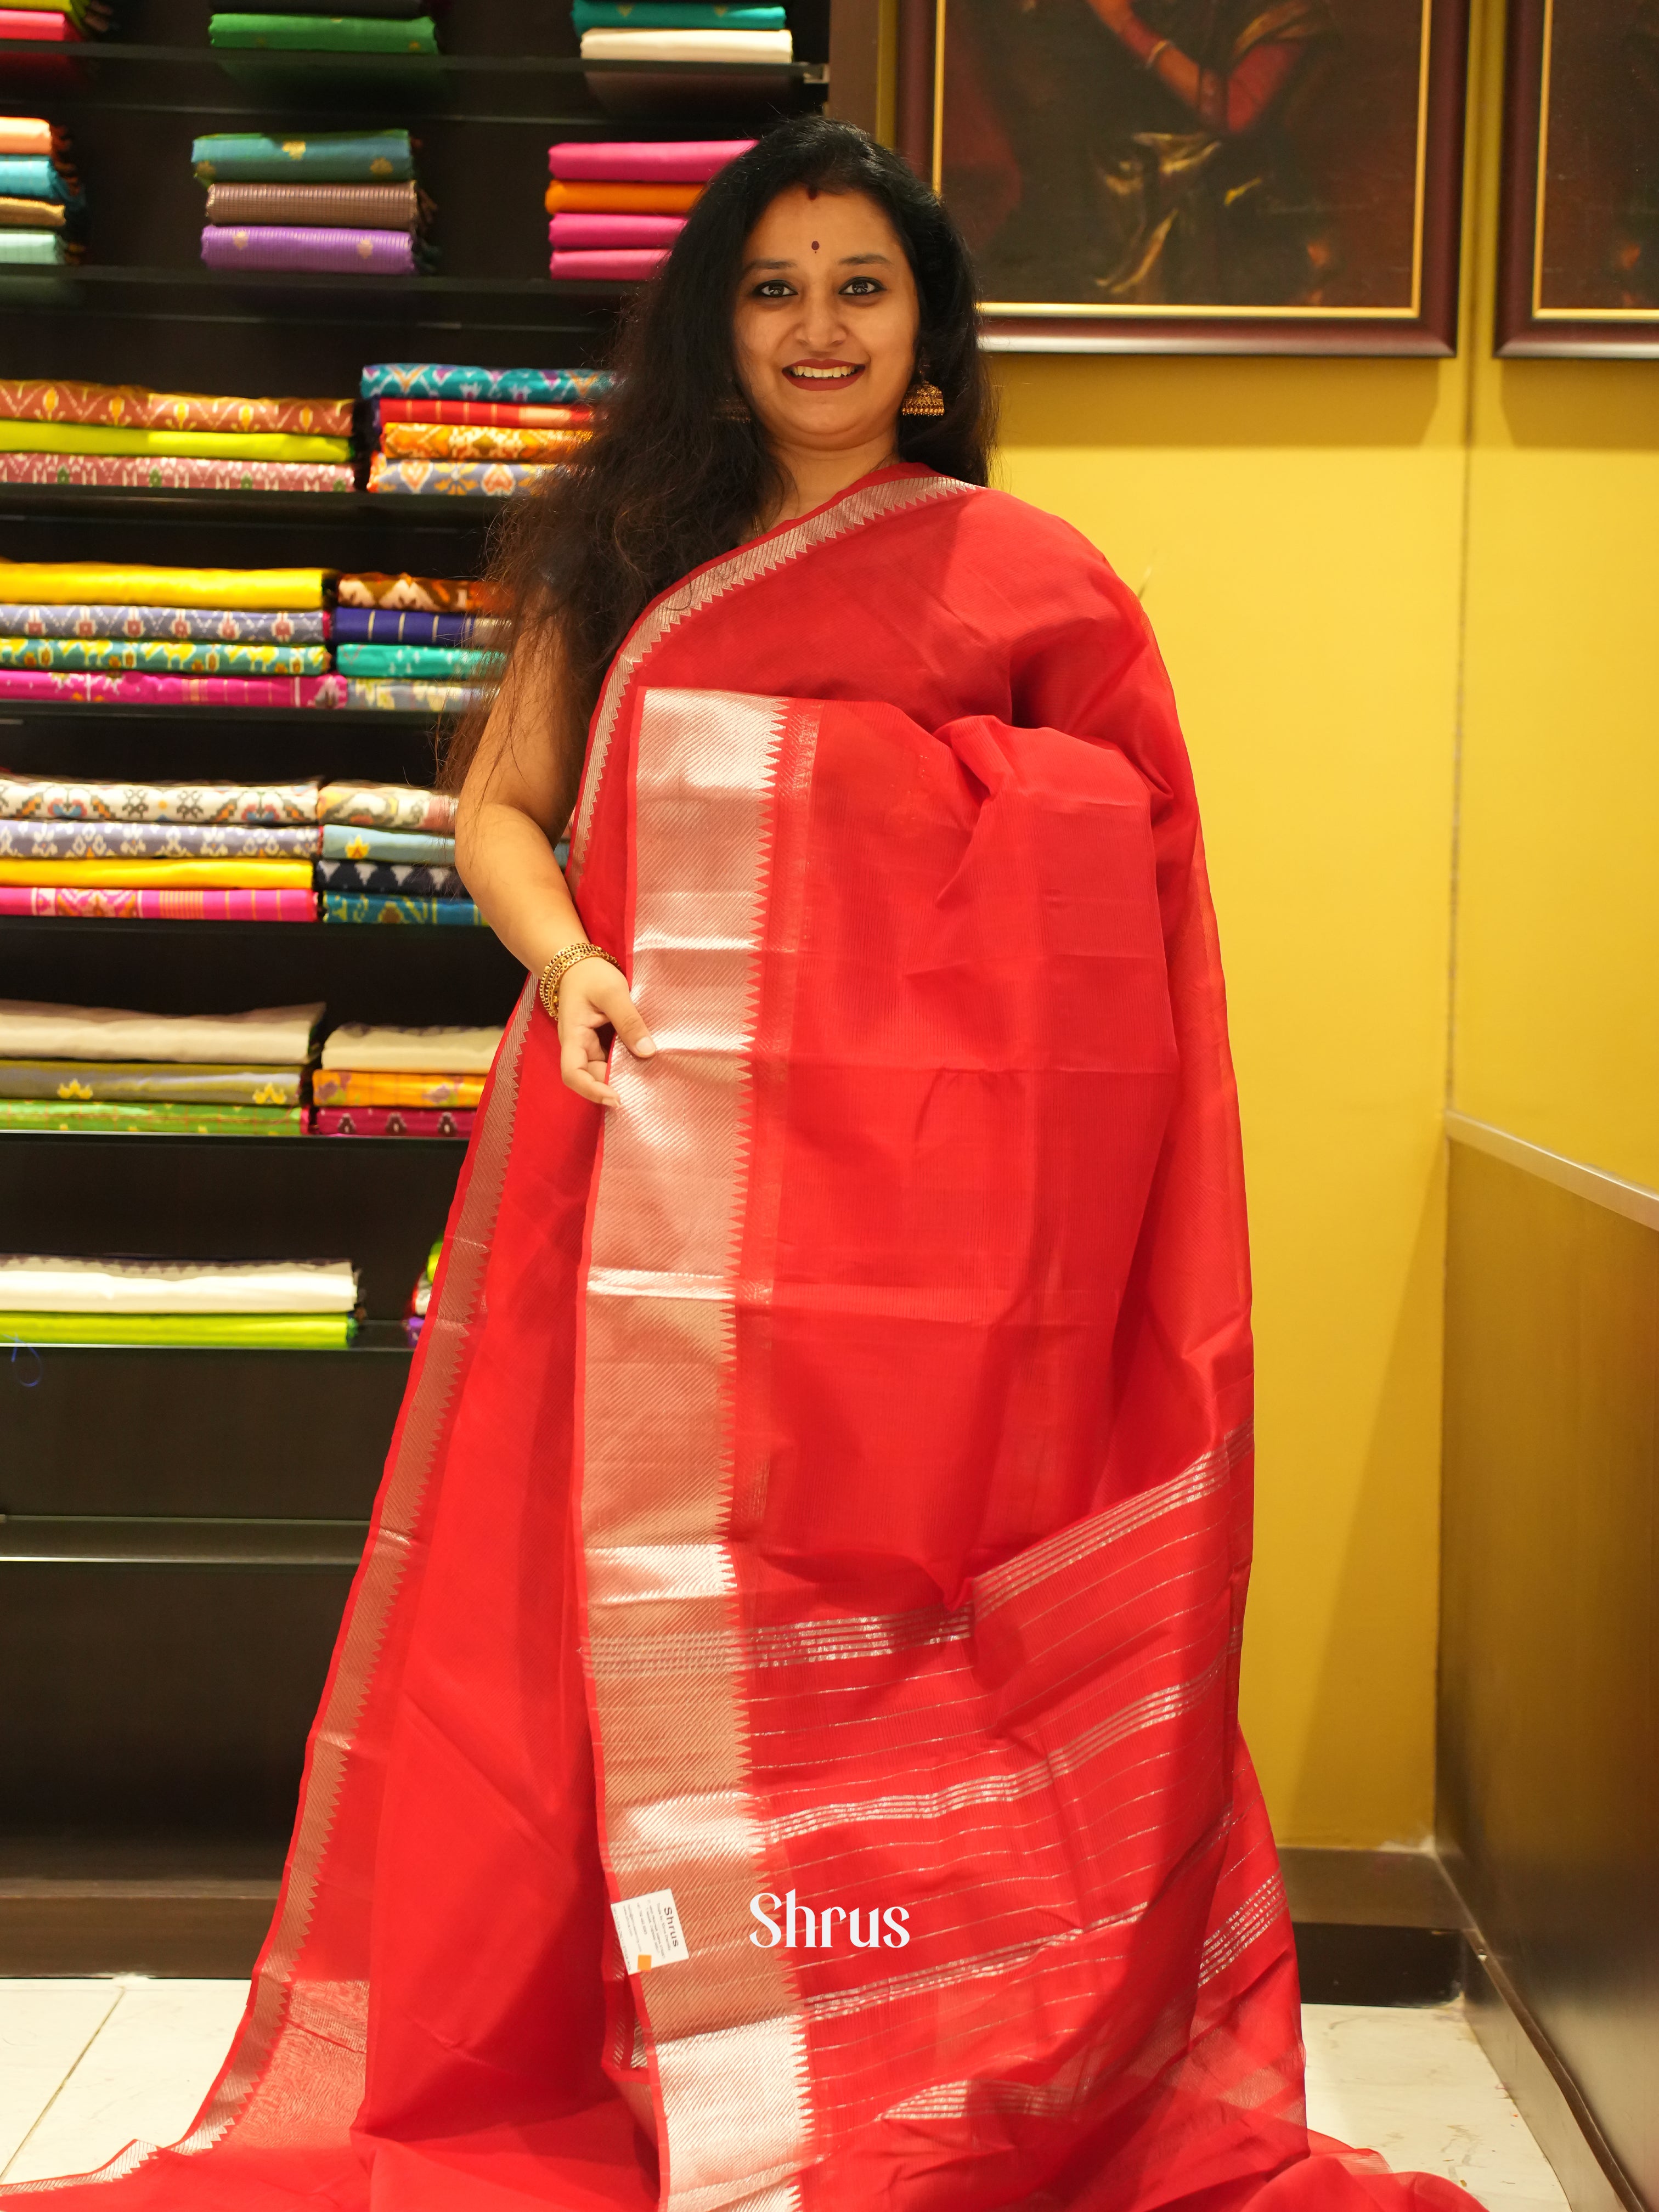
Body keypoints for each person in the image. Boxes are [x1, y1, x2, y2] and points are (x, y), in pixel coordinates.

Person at [7, 116, 1481, 2212]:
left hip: (935, 1250)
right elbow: (498, 814)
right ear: (715, 322)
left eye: (857, 287)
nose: (814, 327)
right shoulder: (621, 551)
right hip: (638, 1197)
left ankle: (899, 2024)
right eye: (772, 287)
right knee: (599, 1624)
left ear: (928, 335)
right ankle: (645, 2028)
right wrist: (579, 961)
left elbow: (1127, 882)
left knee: (893, 1623)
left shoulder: (1020, 579)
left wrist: (913, 815)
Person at [949, 0, 1338, 306]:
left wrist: (1124, 24)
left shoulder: (1282, 10)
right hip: (1095, 164)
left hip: (1212, 184)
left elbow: (1233, 111)